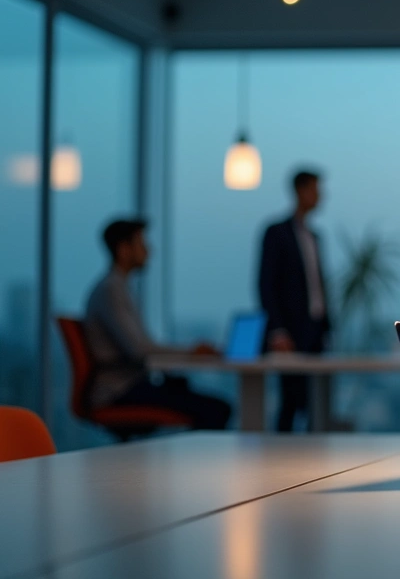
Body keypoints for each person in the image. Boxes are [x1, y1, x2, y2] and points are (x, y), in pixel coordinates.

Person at [84, 219, 231, 429]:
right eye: (141, 244)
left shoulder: (118, 288)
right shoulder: (111, 290)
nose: (149, 251)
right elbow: (140, 350)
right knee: (216, 409)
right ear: (124, 250)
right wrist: (191, 351)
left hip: (129, 384)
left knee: (207, 403)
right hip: (119, 390)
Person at [258, 169, 331, 432]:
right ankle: (278, 461)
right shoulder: (276, 233)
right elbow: (266, 284)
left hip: (316, 330)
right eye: (315, 189)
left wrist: (326, 325)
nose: (320, 196)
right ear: (300, 191)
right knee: (291, 401)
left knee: (317, 404)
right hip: (290, 332)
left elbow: (318, 285)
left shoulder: (315, 237)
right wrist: (278, 330)